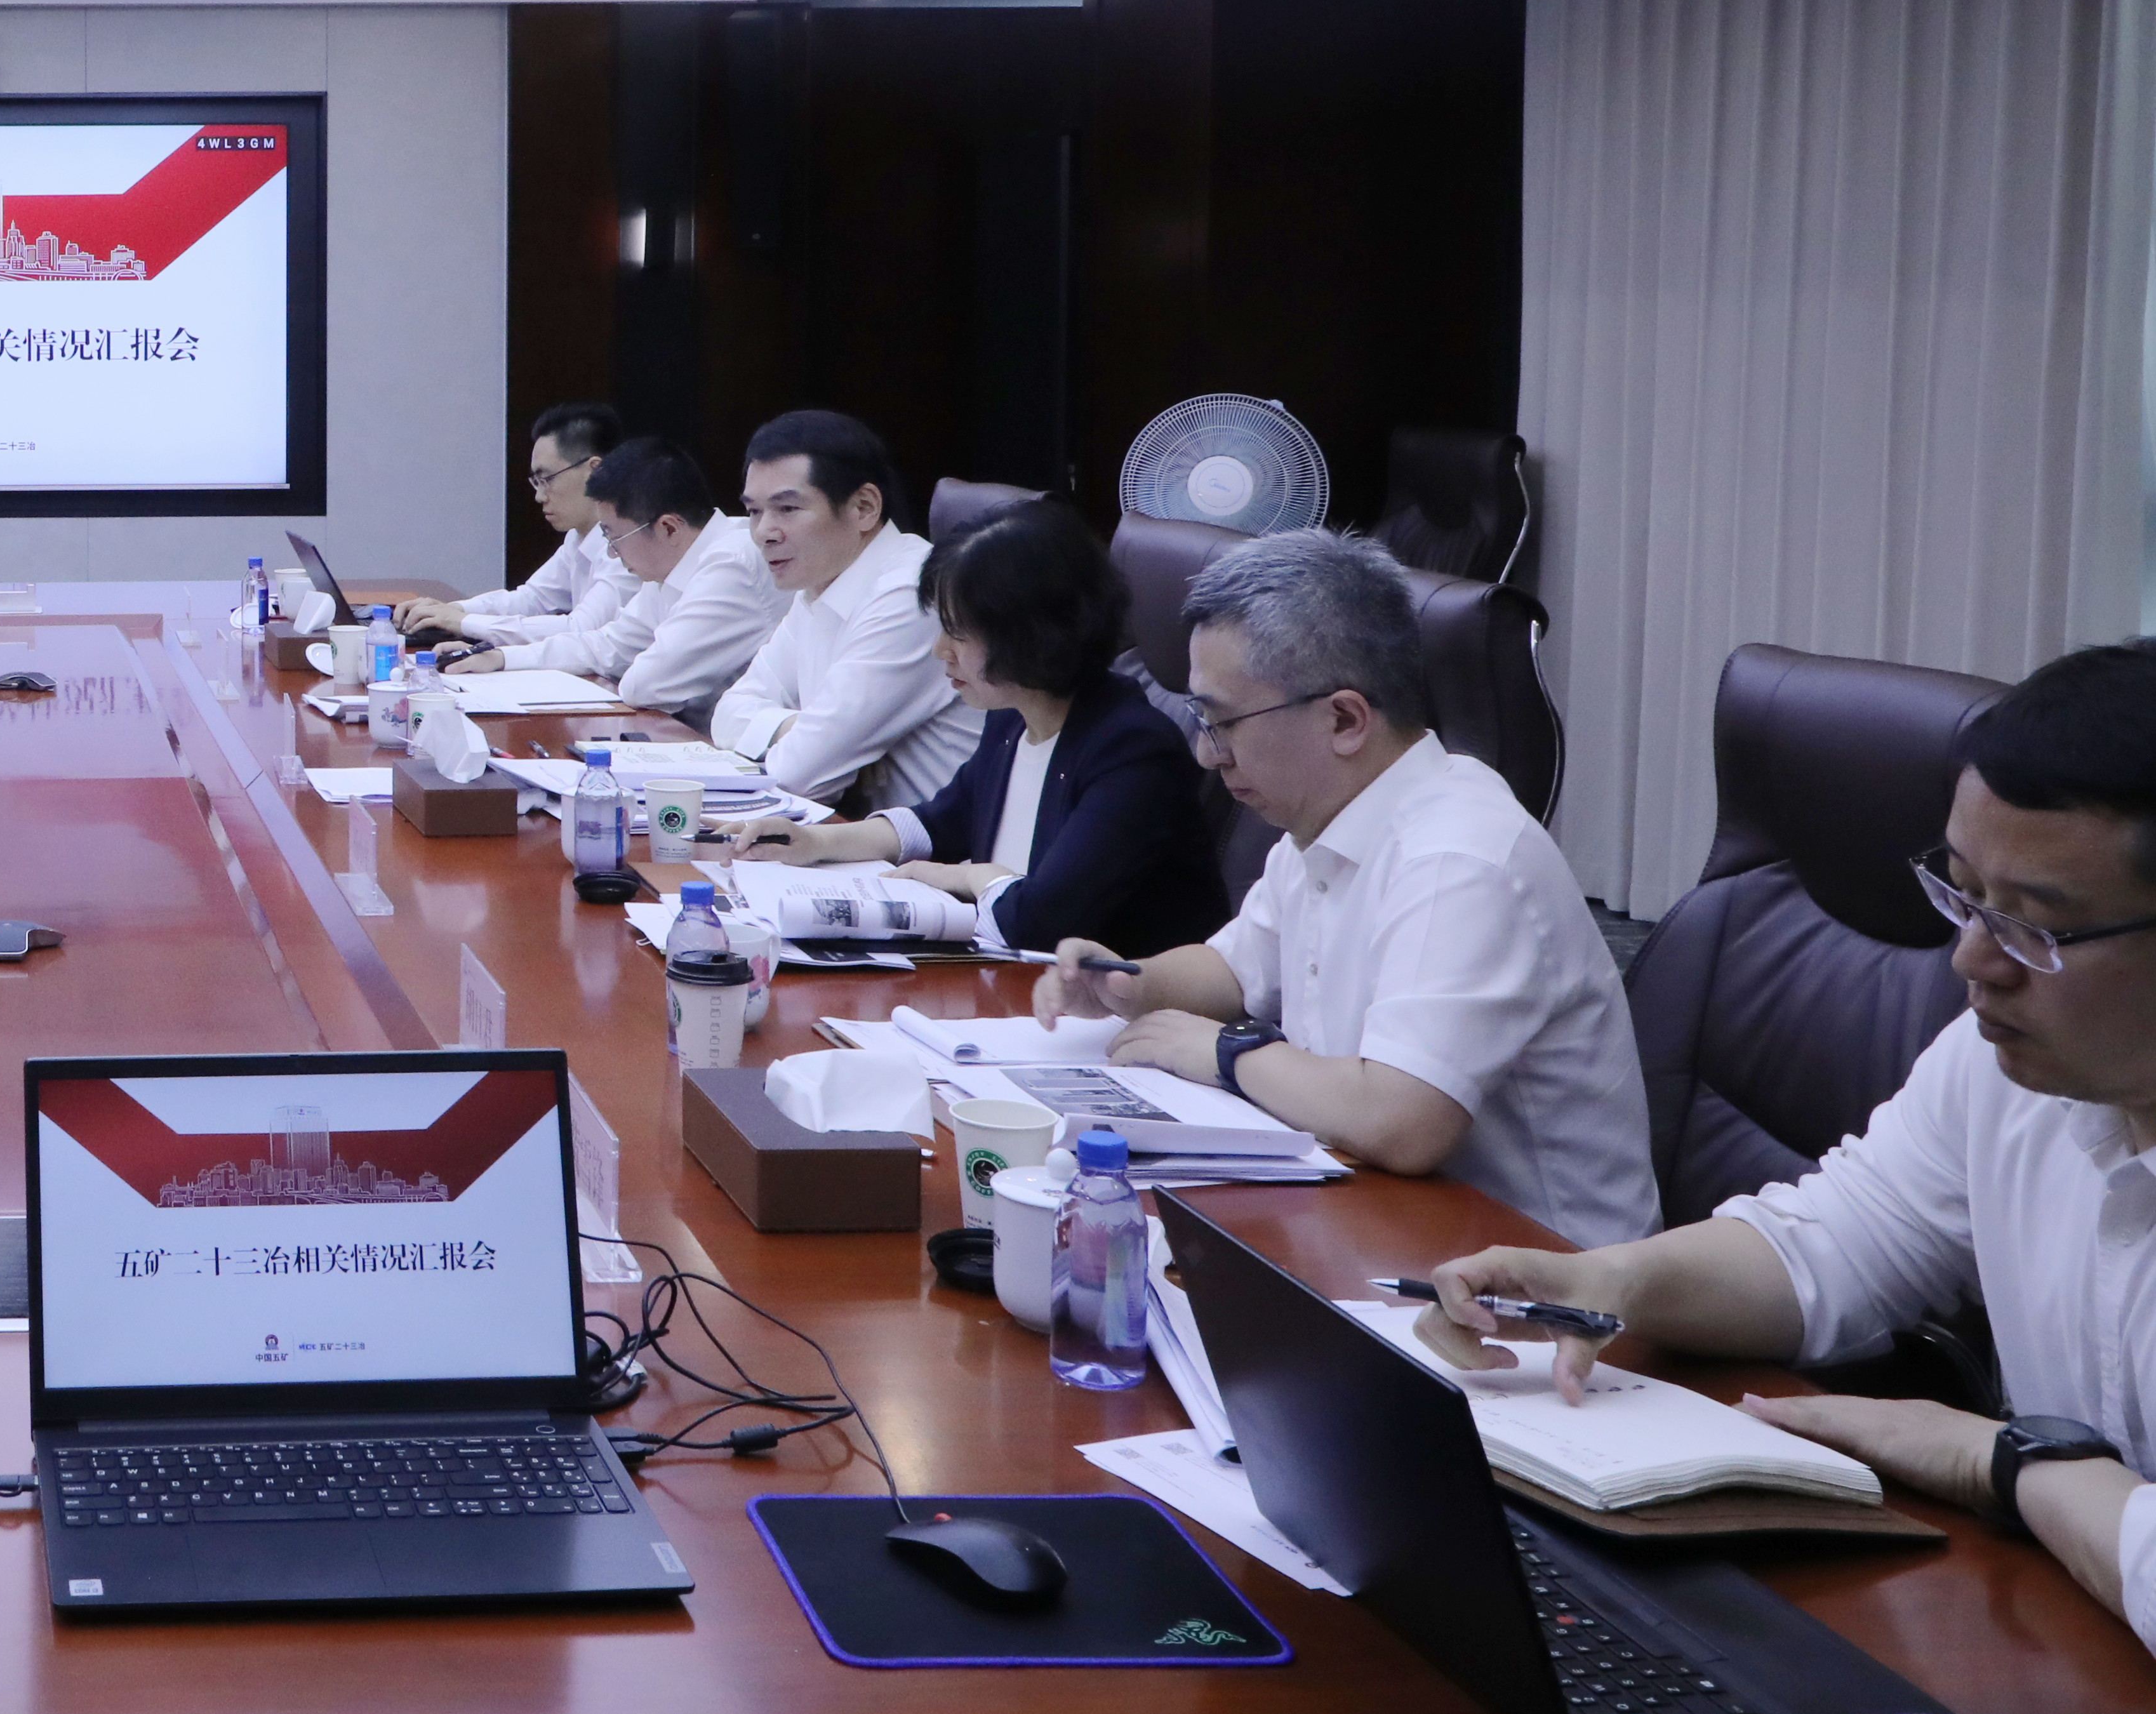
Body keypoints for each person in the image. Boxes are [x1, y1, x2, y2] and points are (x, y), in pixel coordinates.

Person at [1415, 642, 2156, 1655]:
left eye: (2036, 928)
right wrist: (1610, 1282)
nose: (1971, 960)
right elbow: (1829, 1245)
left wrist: (2004, 1461)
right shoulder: (2005, 1072)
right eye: (1965, 894)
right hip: (2067, 1643)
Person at [1034, 528, 1654, 1248]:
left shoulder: (1460, 858)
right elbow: (1234, 970)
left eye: (1223, 721)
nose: (1206, 753)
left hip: (1539, 1277)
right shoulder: (1327, 818)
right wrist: (1128, 983)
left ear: (1345, 719)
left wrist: (1225, 1054)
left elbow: (1400, 1120)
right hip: (1383, 1223)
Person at [723, 498, 1227, 957]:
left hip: (1106, 1010)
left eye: (958, 633)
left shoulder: (1131, 751)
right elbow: (938, 822)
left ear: (1031, 634)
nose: (940, 650)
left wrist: (973, 878)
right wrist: (816, 843)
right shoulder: (1012, 718)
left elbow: (1038, 922)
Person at [709, 409, 980, 809]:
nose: (764, 533)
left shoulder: (911, 593)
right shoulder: (818, 584)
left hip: (933, 845)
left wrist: (811, 741)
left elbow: (798, 775)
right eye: (754, 512)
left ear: (864, 508)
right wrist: (802, 728)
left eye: (787, 509)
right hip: (855, 832)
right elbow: (727, 714)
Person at [489, 438, 780, 727]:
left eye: (614, 538)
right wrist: (502, 658)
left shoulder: (732, 566)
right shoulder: (669, 568)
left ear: (668, 528)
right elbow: (608, 645)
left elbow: (646, 685)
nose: (611, 553)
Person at [397, 403, 634, 660]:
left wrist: (463, 622)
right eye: (536, 482)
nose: (539, 496)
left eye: (548, 479)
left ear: (594, 470)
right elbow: (533, 599)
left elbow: (581, 629)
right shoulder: (579, 537)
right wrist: (452, 610)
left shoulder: (633, 540)